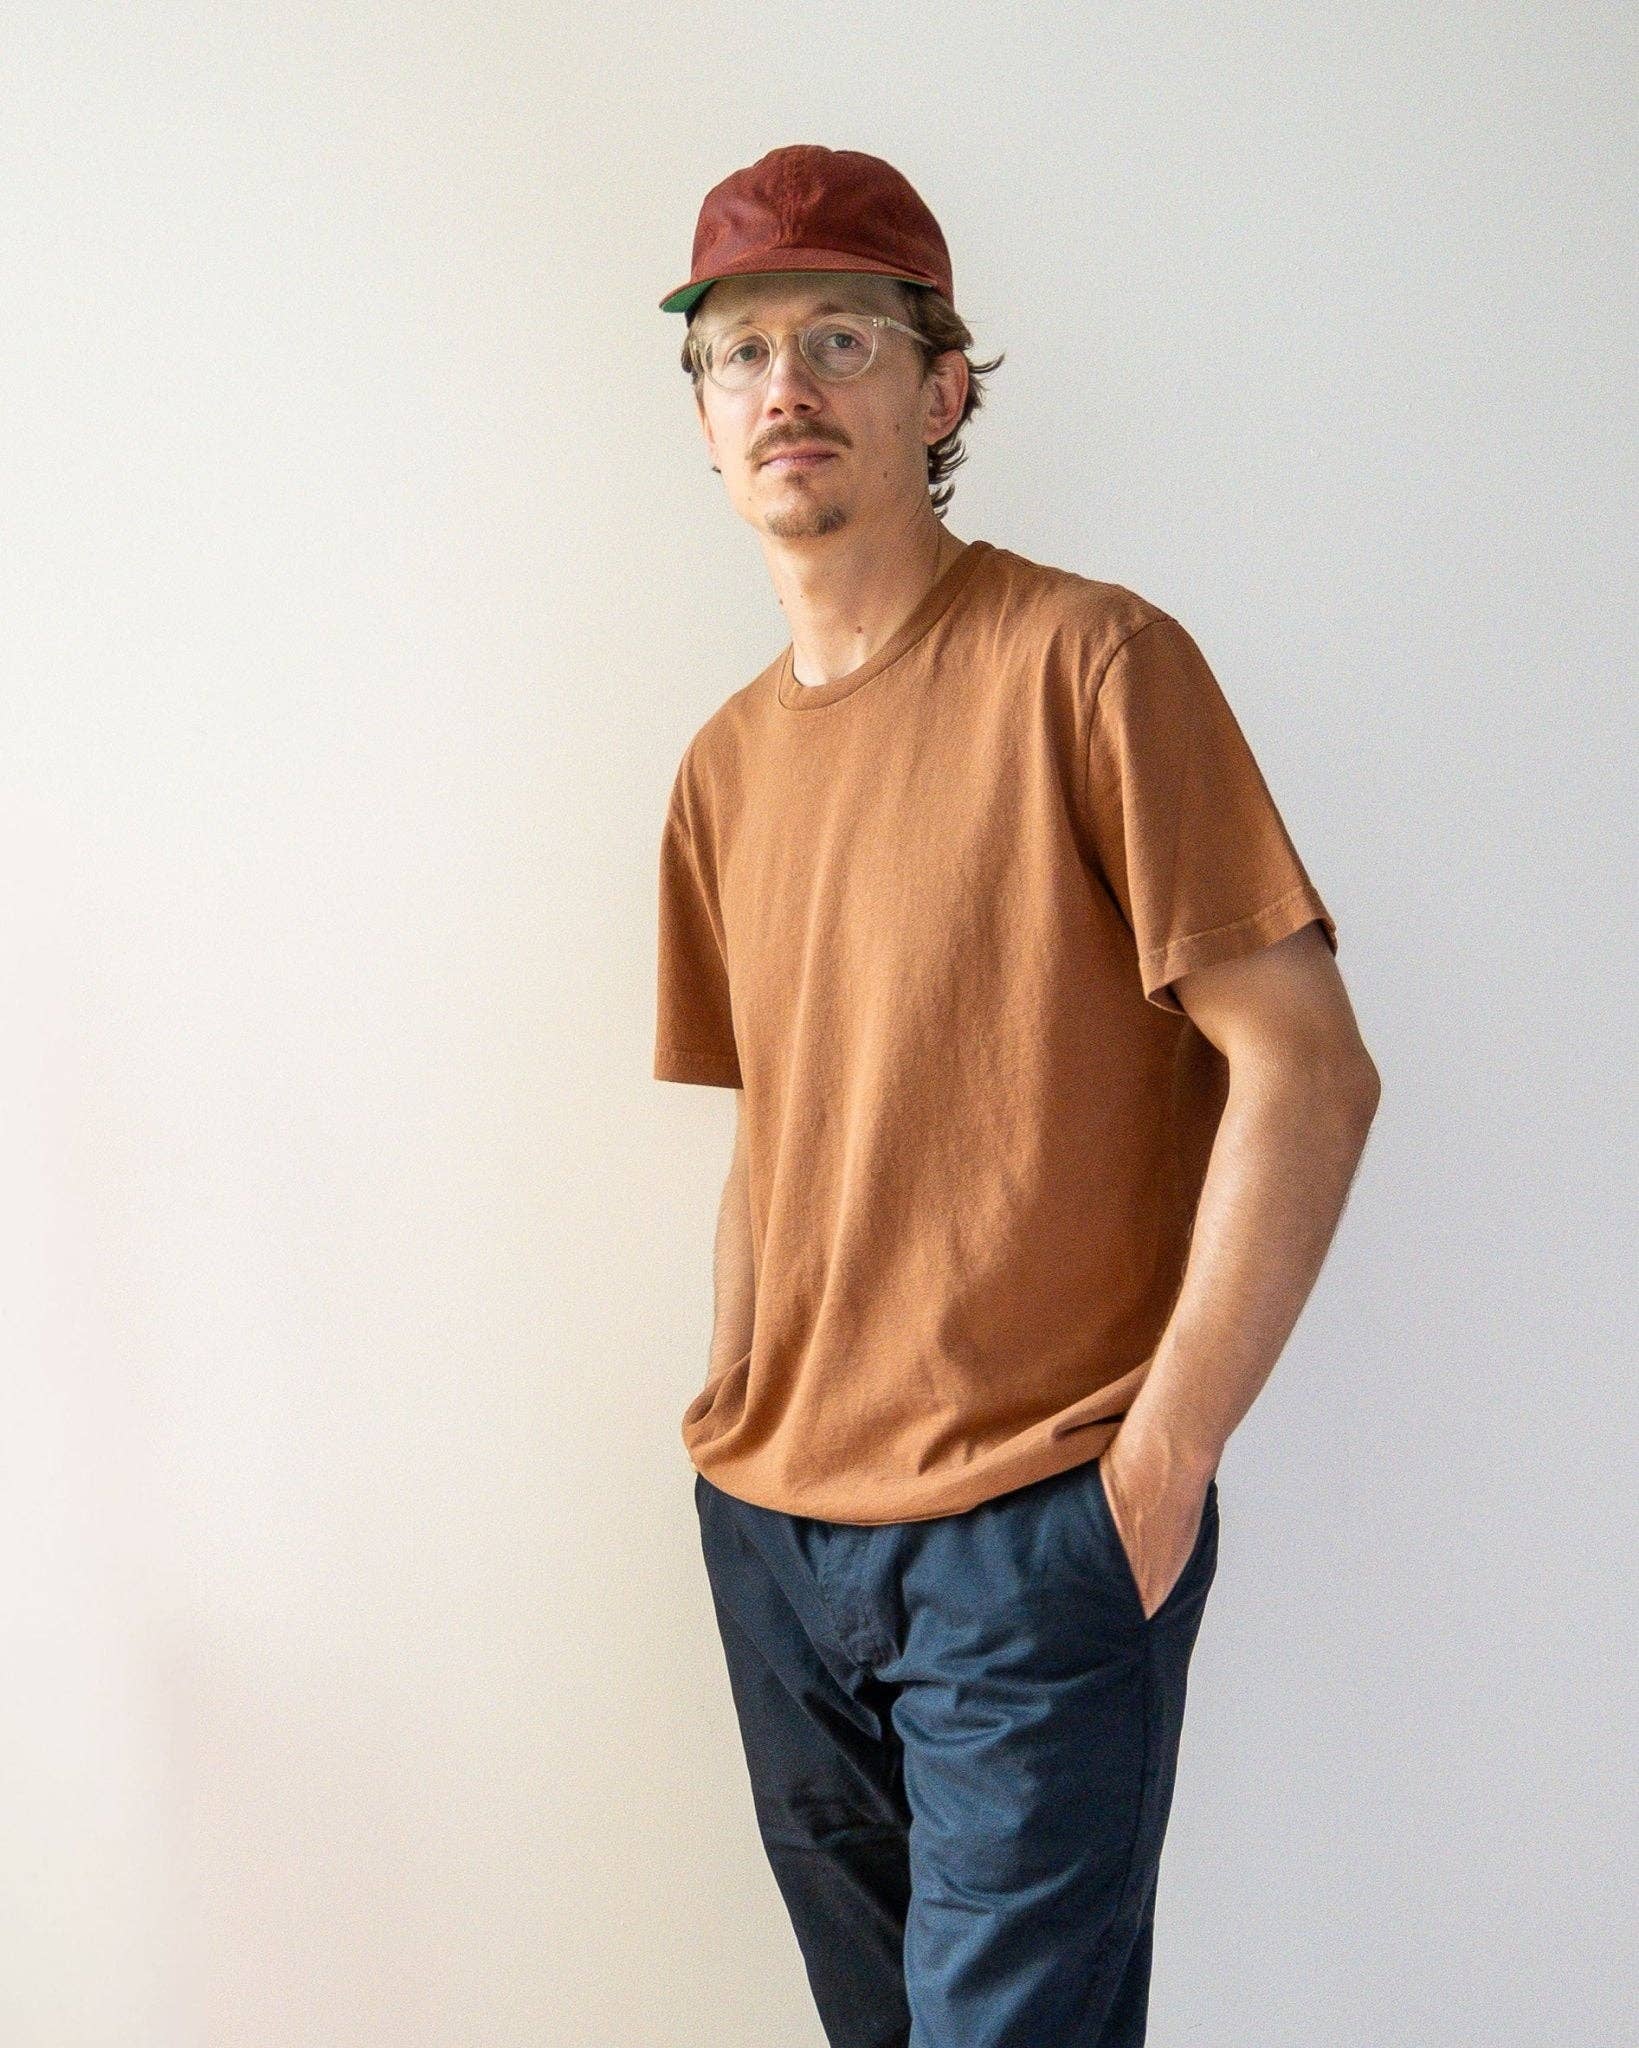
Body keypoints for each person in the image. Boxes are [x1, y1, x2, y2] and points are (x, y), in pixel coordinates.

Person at [651, 142, 1381, 2048]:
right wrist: (732, 1427)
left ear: (942, 389)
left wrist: (1160, 1466)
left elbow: (1311, 1071)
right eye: (740, 352)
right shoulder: (722, 771)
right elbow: (777, 1133)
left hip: (1030, 1538)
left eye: (842, 339)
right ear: (704, 415)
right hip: (777, 1537)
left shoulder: (1092, 664)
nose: (787, 386)